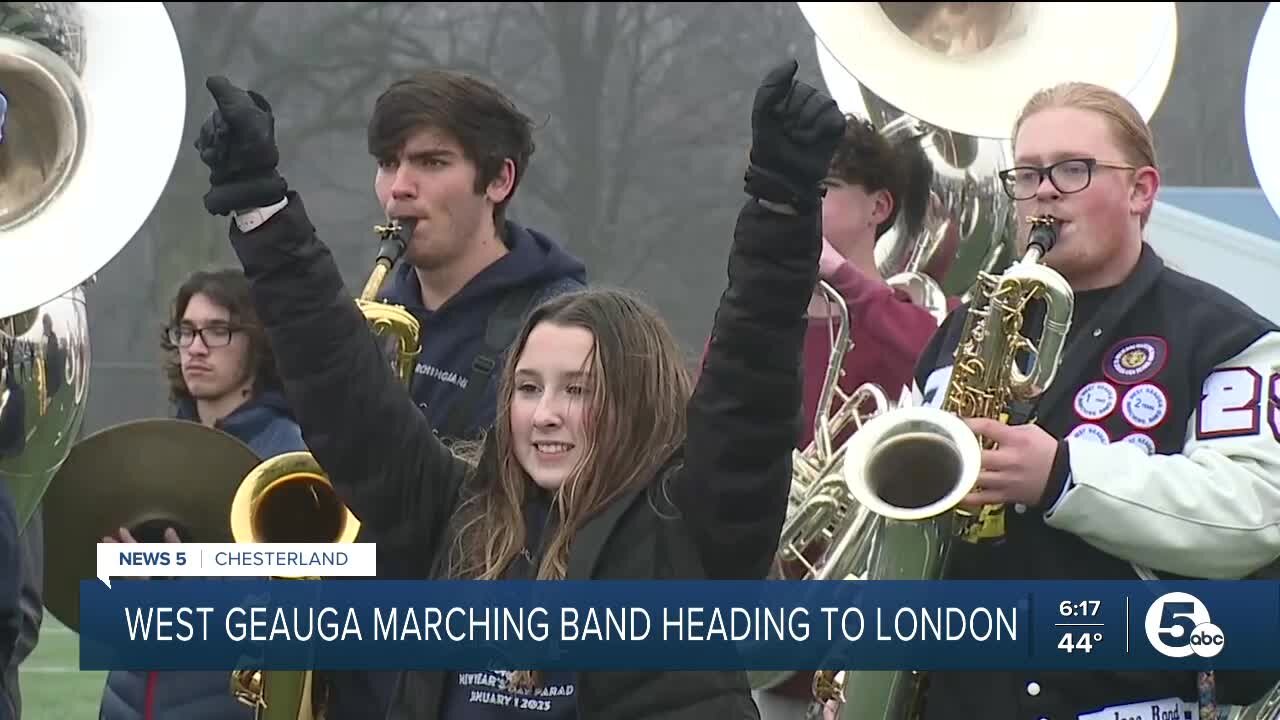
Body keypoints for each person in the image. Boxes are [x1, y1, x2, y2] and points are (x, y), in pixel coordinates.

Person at [193, 56, 845, 720]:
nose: (546, 415)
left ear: (637, 402)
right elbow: (341, 383)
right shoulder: (456, 516)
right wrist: (261, 207)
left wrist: (783, 204)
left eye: (579, 390)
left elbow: (750, 382)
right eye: (528, 388)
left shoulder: (687, 532)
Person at [894, 81, 1280, 719]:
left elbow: (1251, 513)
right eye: (1027, 173)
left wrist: (1062, 476)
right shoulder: (959, 337)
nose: (1043, 190)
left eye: (1074, 169)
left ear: (1141, 191)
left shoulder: (1227, 338)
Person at [750, 113, 944, 720]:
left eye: (820, 190)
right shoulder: (752, 323)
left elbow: (938, 358)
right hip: (776, 647)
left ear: (878, 207)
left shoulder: (919, 313)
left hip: (892, 638)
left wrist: (839, 276)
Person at [98, 268, 310, 720]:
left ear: (257, 342)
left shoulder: (288, 459)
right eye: (187, 331)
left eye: (218, 331)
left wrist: (185, 588)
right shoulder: (157, 445)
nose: (196, 346)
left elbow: (291, 610)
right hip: (129, 700)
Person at [366, 70, 587, 442]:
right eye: (388, 164)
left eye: (432, 162)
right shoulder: (376, 319)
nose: (399, 188)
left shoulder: (567, 325)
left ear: (499, 180)